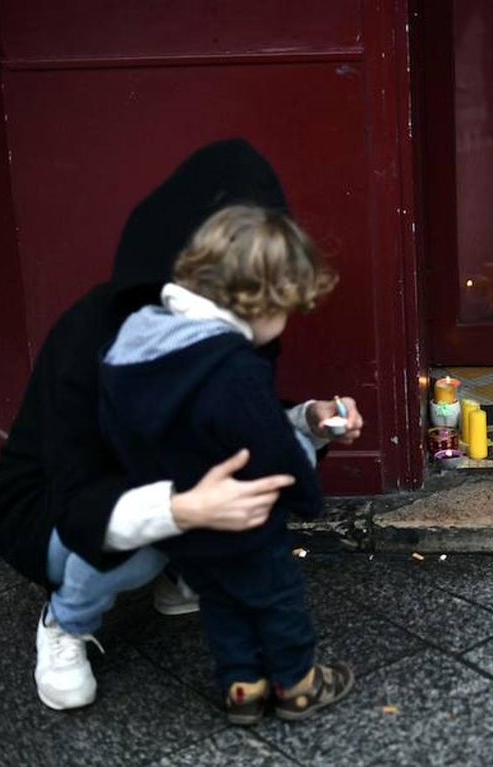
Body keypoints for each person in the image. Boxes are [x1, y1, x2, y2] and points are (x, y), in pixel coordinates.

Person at [0, 138, 362, 712]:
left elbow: (235, 420)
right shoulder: (98, 331)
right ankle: (65, 616)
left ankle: (183, 570)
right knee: (159, 552)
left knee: (216, 565)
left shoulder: (220, 320)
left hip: (163, 480)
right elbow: (78, 487)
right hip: (56, 508)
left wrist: (310, 421)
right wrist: (186, 512)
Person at [99, 204, 354, 725]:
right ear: (260, 299)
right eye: (286, 309)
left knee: (219, 602)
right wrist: (308, 497)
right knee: (276, 598)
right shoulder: (233, 369)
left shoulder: (139, 338)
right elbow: (271, 449)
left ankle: (242, 685)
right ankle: (297, 682)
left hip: (181, 518)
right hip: (244, 517)